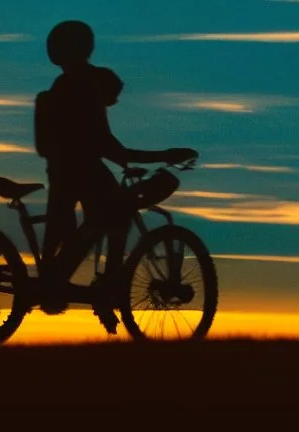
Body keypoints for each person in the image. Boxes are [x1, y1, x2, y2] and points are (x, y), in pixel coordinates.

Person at [34, 20, 197, 331]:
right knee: (110, 217)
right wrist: (163, 155)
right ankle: (100, 285)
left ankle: (95, 286)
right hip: (80, 170)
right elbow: (108, 146)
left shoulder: (66, 85)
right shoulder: (84, 86)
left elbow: (103, 147)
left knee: (102, 220)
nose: (115, 100)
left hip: (69, 170)